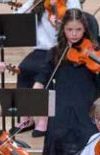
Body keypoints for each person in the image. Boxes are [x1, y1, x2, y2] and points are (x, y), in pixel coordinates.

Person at [32, 8, 100, 155]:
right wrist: (32, 101)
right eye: (69, 29)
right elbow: (40, 81)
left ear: (85, 30)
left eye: (78, 29)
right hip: (61, 112)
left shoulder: (95, 54)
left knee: (87, 140)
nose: (74, 34)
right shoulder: (55, 53)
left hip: (87, 112)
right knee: (57, 138)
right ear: (63, 30)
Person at [14, 0, 83, 137]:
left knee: (47, 70)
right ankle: (26, 116)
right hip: (40, 49)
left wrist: (60, 23)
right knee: (24, 68)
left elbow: (77, 21)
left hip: (61, 48)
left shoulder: (70, 2)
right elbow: (18, 16)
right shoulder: (39, 2)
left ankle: (44, 118)